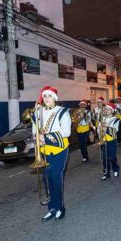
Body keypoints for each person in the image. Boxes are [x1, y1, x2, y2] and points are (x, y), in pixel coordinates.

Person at [32, 86, 71, 222]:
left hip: (59, 150)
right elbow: (34, 131)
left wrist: (46, 137)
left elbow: (66, 132)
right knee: (46, 180)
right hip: (44, 151)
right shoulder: (38, 113)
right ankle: (52, 208)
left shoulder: (62, 112)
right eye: (45, 96)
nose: (47, 98)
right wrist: (37, 137)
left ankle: (60, 208)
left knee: (56, 178)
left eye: (49, 96)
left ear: (54, 98)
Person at [98, 102, 120, 181]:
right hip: (104, 140)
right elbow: (98, 130)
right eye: (105, 109)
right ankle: (106, 173)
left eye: (108, 109)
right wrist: (99, 131)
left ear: (112, 111)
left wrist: (106, 129)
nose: (106, 110)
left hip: (112, 141)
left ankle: (116, 169)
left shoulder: (116, 119)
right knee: (105, 158)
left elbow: (115, 130)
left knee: (112, 157)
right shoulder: (102, 119)